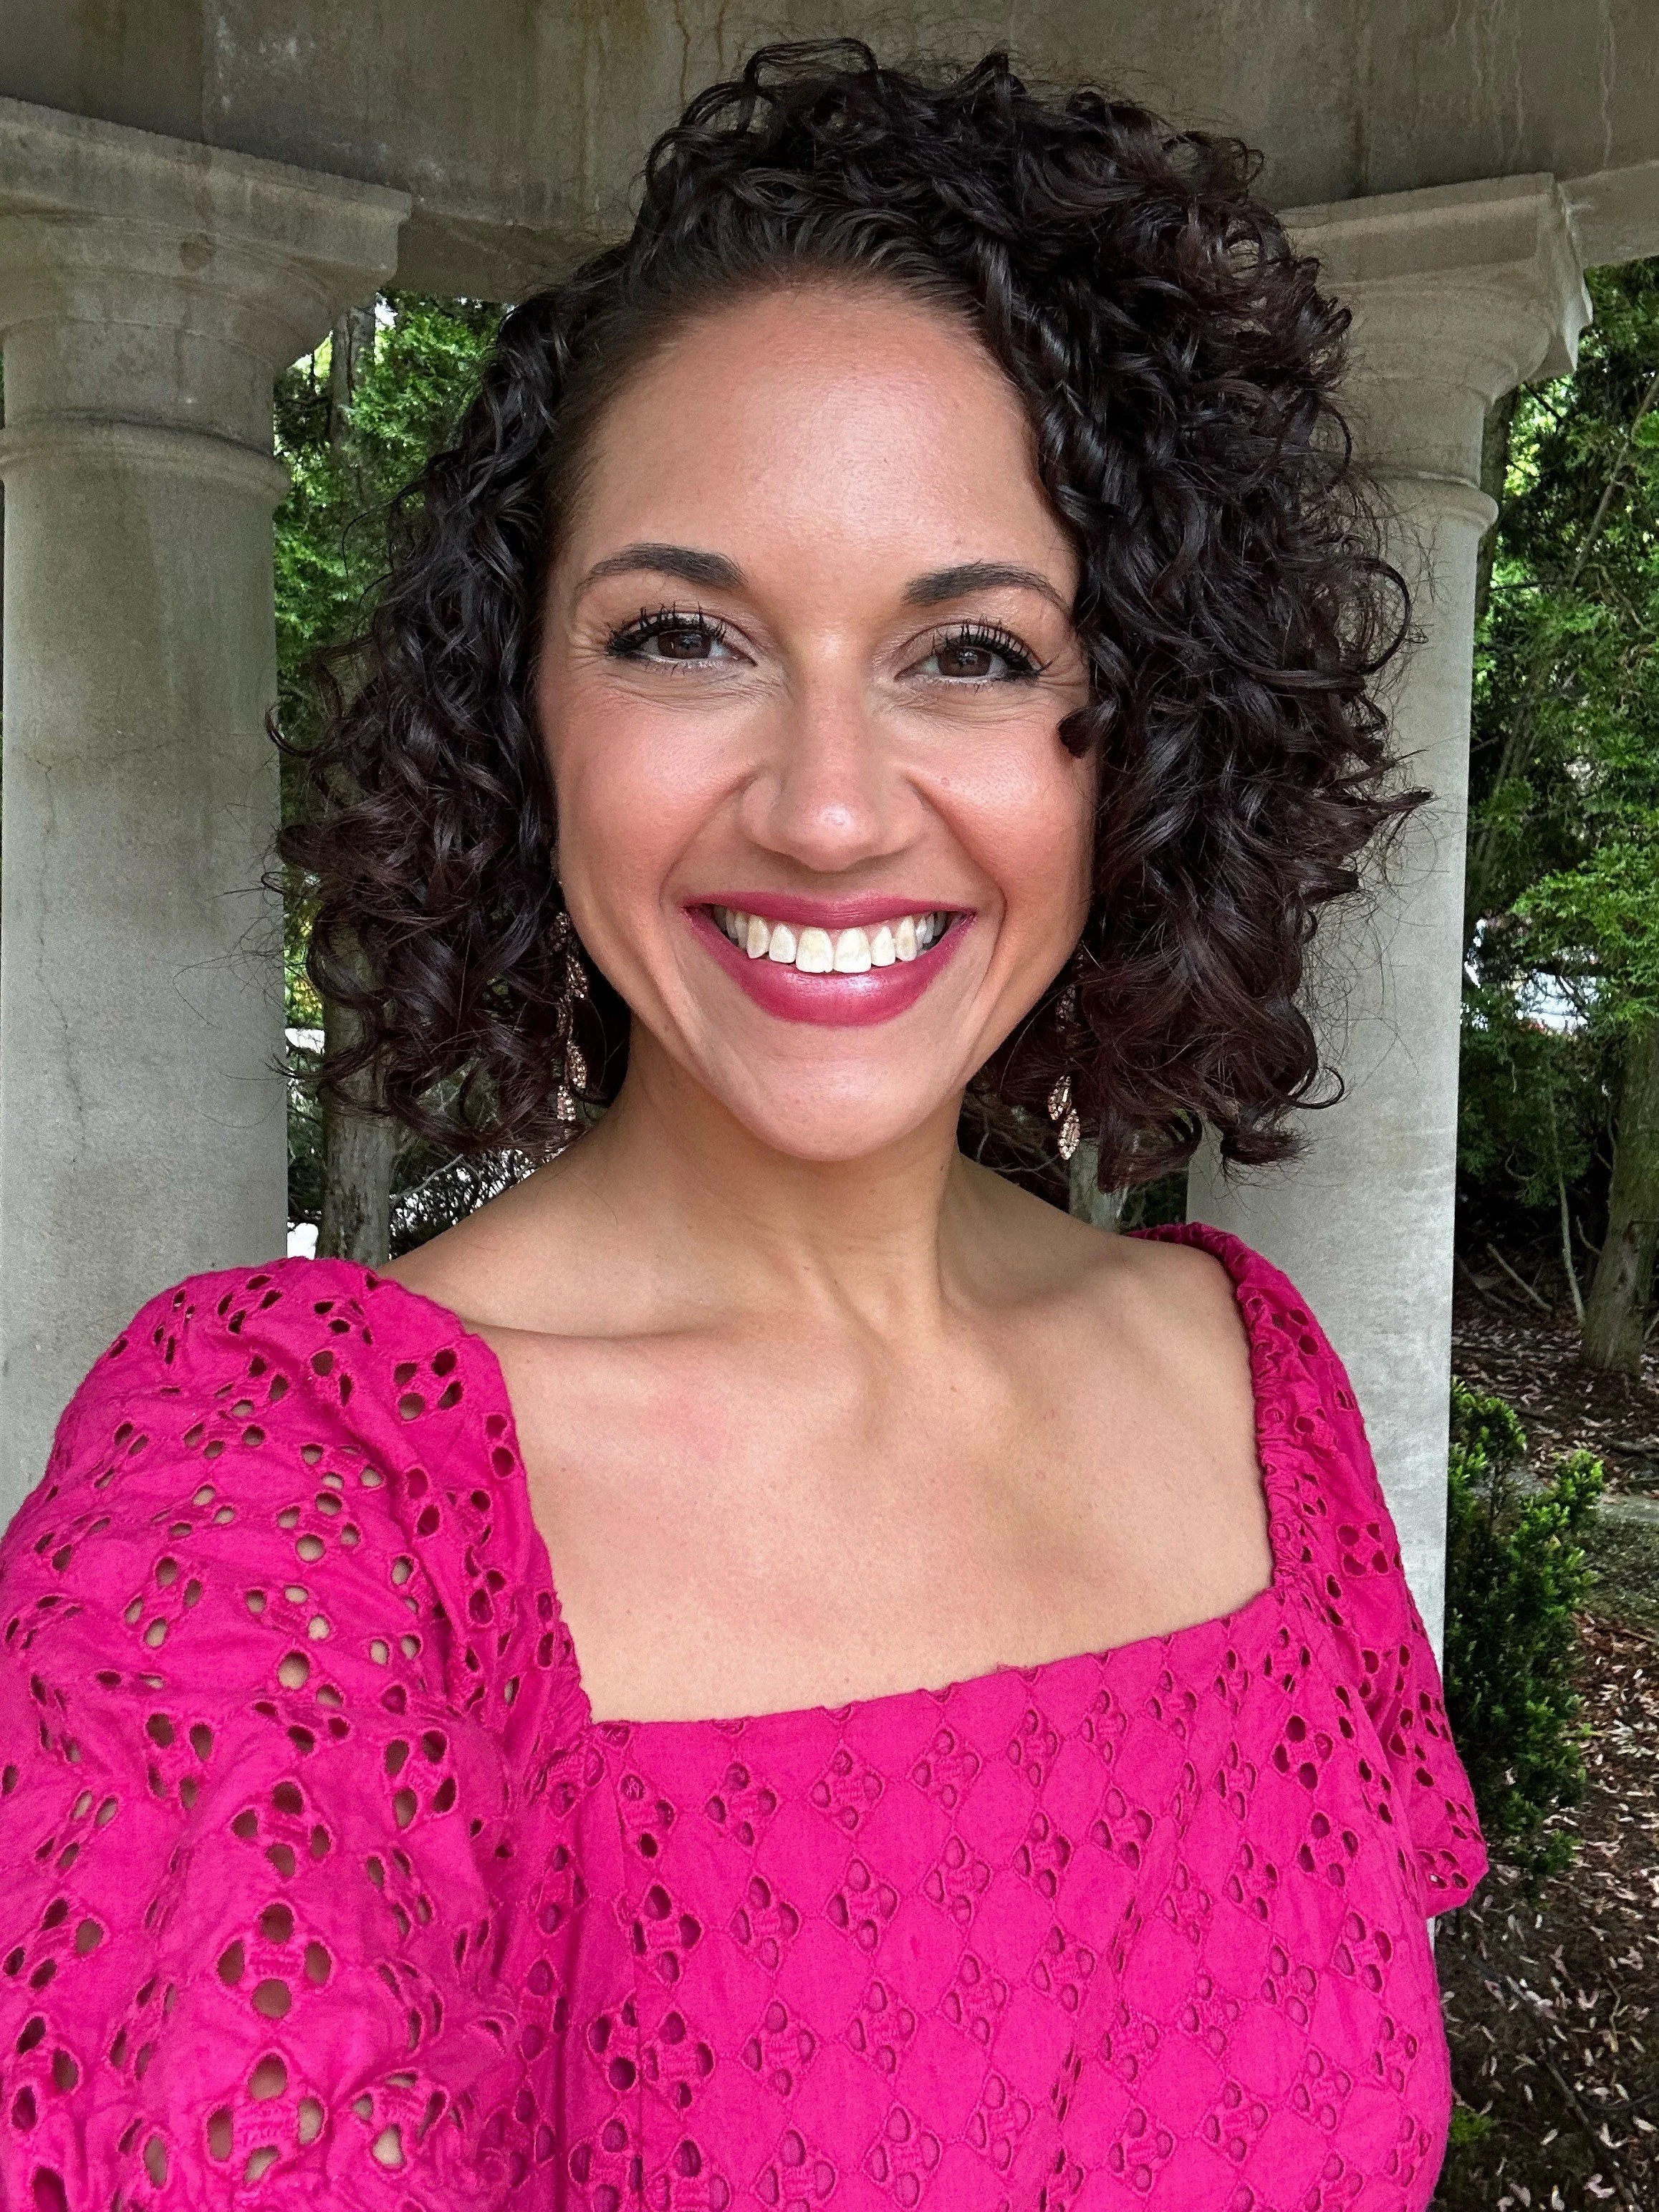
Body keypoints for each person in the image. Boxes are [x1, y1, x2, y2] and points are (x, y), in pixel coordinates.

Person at [0, 41, 1486, 2210]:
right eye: (684, 637)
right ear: (518, 707)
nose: (826, 810)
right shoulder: (283, 1518)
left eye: (973, 654)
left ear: (1142, 735)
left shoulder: (1252, 1386)